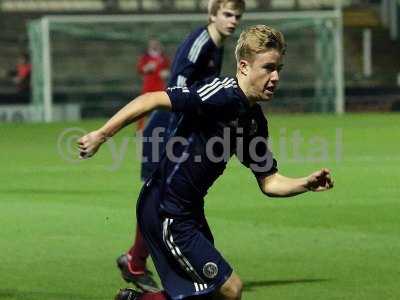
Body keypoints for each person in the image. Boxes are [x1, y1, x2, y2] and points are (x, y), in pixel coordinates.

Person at [78, 25, 334, 300]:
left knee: (208, 294)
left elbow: (270, 181)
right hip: (166, 209)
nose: (275, 77)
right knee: (229, 289)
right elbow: (151, 99)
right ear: (244, 67)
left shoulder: (252, 121)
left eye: (279, 69)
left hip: (189, 213)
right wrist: (101, 135)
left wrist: (304, 183)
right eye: (268, 68)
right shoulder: (218, 94)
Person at [116, 0, 245, 293]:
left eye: (237, 16)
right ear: (212, 14)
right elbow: (177, 86)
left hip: (177, 129)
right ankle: (138, 261)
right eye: (227, 14)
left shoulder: (217, 43)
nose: (233, 20)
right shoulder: (201, 43)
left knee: (165, 196)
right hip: (166, 129)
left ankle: (135, 261)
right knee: (162, 197)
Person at [136, 39, 170, 133]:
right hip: (148, 86)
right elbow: (140, 69)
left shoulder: (163, 57)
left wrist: (166, 73)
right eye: (152, 44)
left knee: (162, 108)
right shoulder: (145, 57)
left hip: (160, 86)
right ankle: (140, 129)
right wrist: (146, 68)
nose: (154, 45)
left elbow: (168, 70)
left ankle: (162, 129)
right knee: (143, 108)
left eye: (156, 43)